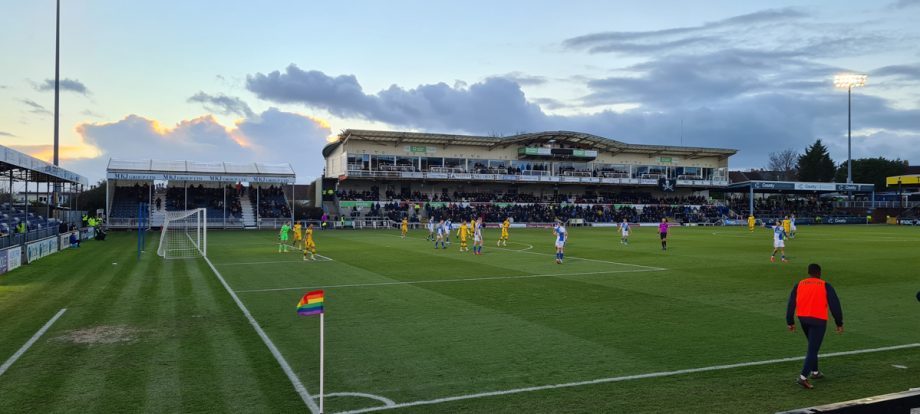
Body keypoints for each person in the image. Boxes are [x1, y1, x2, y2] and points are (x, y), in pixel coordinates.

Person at [786, 263, 844, 389]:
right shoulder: (825, 285)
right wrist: (839, 323)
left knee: (813, 345)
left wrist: (790, 321)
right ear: (819, 273)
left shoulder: (799, 284)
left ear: (808, 273)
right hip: (818, 320)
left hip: (803, 318)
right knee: (813, 348)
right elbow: (835, 305)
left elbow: (791, 303)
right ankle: (802, 377)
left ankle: (815, 372)